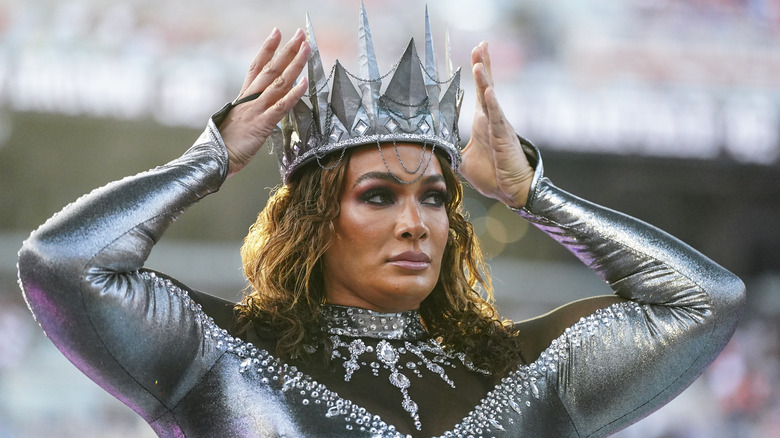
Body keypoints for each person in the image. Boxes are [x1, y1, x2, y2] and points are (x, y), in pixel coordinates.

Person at [18, 6, 744, 438]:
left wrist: (538, 197)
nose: (415, 223)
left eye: (434, 197)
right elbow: (63, 264)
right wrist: (209, 158)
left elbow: (707, 302)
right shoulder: (216, 353)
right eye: (378, 196)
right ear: (312, 221)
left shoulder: (523, 369)